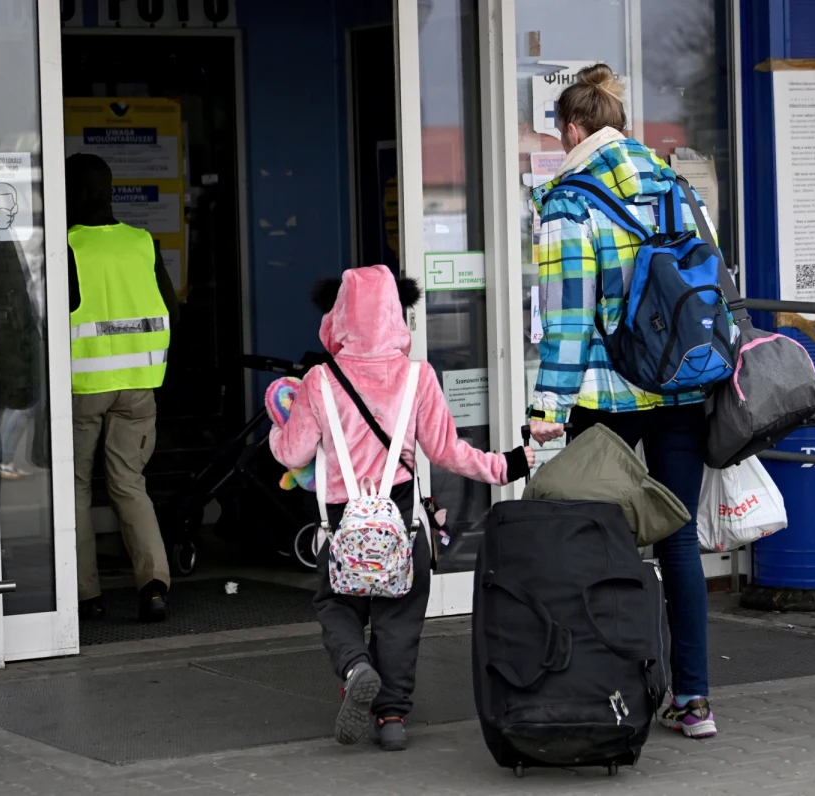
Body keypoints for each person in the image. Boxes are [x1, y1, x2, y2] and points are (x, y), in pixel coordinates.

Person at [270, 265, 533, 752]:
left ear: (339, 316)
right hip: (401, 514)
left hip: (341, 521)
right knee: (400, 611)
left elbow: (291, 455)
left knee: (336, 602)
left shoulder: (318, 381)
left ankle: (355, 667)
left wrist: (276, 427)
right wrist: (508, 465)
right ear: (397, 314)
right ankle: (391, 715)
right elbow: (450, 452)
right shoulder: (418, 377)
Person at [527, 64, 717, 739]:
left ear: (572, 128)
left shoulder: (568, 201)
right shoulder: (675, 184)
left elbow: (568, 321)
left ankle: (603, 694)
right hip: (681, 383)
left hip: (605, 397)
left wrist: (547, 411)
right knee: (680, 541)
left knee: (597, 546)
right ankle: (693, 701)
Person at [66, 153, 180, 622]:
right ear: (110, 190)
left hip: (84, 384)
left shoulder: (68, 246)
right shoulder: (142, 243)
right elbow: (172, 307)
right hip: (139, 385)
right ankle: (153, 585)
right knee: (130, 484)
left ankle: (84, 596)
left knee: (73, 488)